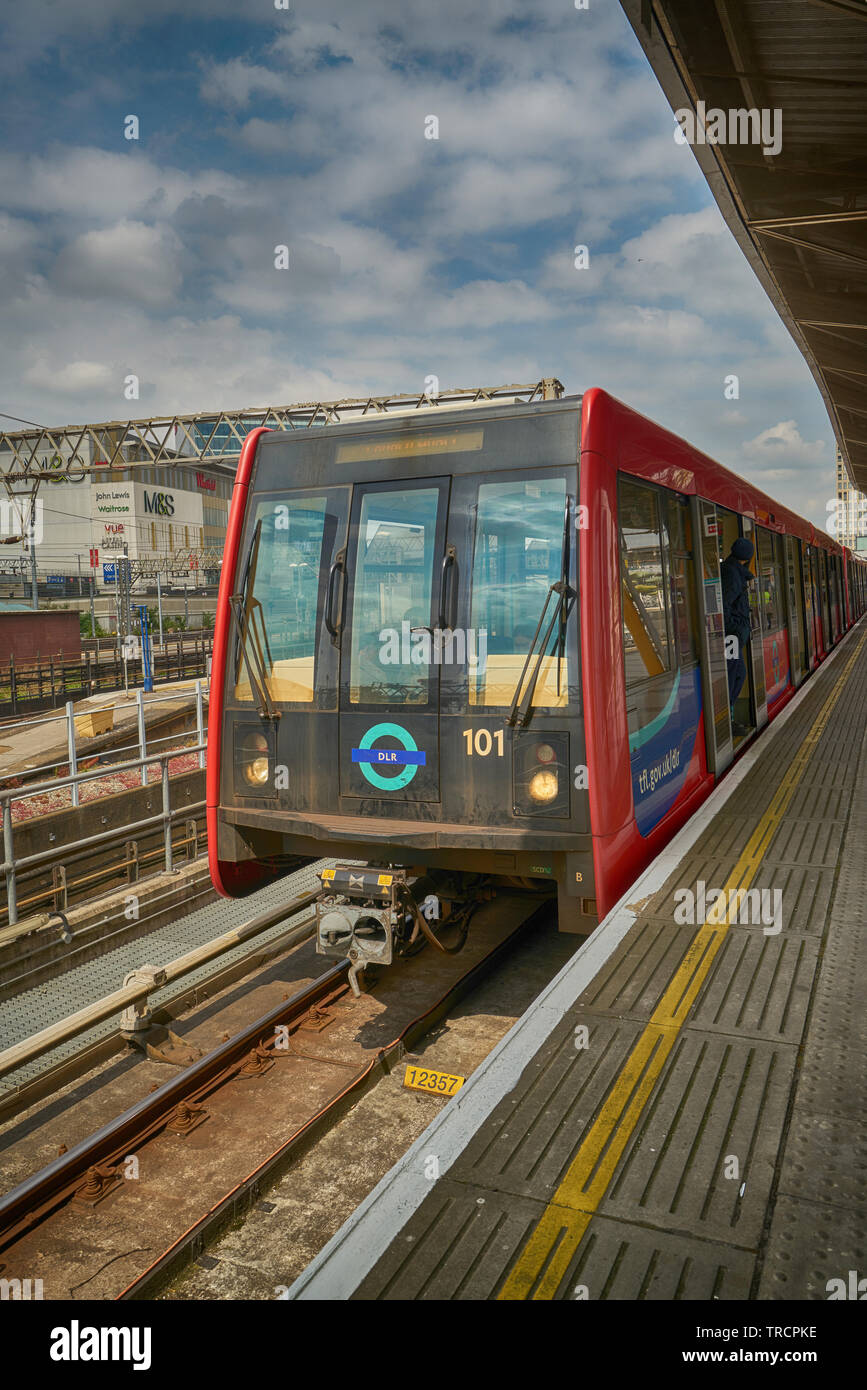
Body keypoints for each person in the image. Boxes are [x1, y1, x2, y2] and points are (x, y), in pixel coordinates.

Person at [721, 537, 754, 734]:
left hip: (732, 634)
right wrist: (734, 628)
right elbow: (726, 604)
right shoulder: (733, 575)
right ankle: (727, 720)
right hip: (731, 636)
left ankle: (728, 718)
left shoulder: (733, 570)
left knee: (736, 673)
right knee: (736, 674)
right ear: (747, 556)